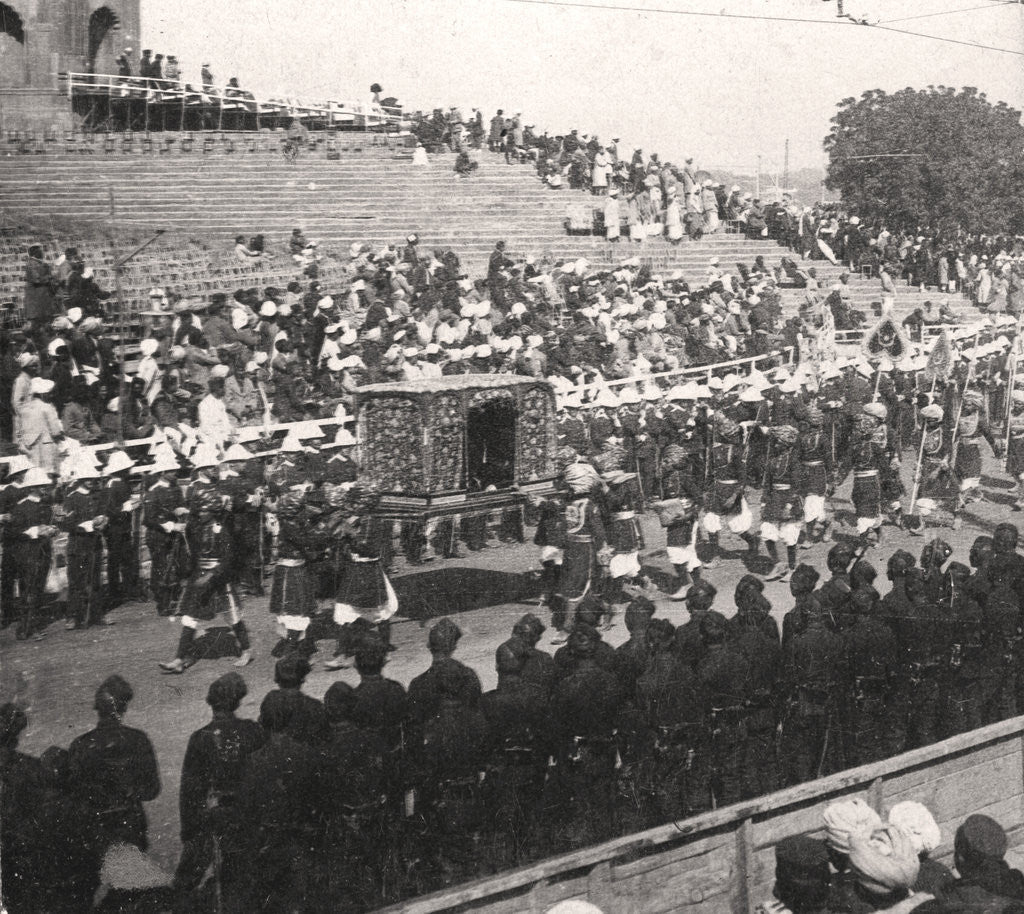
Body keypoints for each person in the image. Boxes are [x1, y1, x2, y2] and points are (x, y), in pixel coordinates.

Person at [174, 673, 265, 907]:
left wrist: (189, 831)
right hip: (248, 813)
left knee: (186, 880)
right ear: (238, 702)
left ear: (210, 702)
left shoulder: (200, 738)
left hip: (214, 815)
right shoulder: (252, 731)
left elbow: (190, 790)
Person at [236, 690, 323, 913]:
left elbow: (247, 809)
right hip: (301, 840)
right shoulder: (307, 754)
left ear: (263, 720)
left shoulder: (254, 761)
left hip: (267, 844)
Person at [67, 675, 160, 853]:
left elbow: (73, 794)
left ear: (97, 707)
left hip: (95, 830)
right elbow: (152, 789)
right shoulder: (138, 739)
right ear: (124, 707)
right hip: (130, 826)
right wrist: (129, 792)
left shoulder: (81, 744)